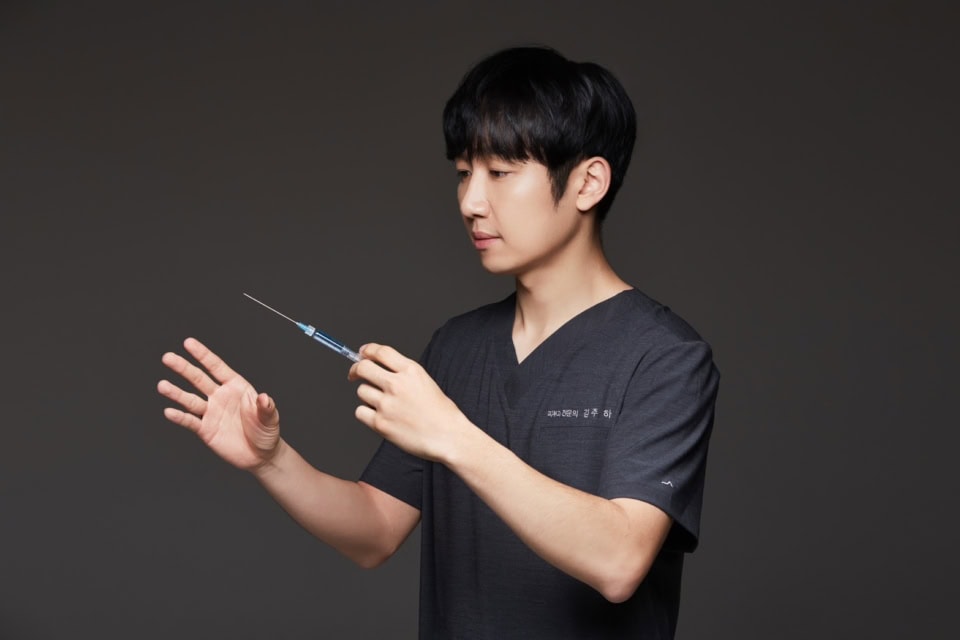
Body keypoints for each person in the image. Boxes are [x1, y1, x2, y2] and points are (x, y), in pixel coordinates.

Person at [158, 45, 719, 639]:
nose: (471, 203)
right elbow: (376, 531)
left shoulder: (664, 357)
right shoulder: (457, 346)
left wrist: (451, 434)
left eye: (500, 173)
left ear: (587, 183)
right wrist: (272, 461)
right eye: (463, 173)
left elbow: (619, 560)